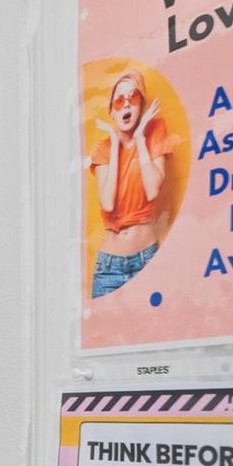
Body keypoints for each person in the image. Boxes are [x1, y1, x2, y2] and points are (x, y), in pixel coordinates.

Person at [87, 69, 175, 297]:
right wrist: (115, 144)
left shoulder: (155, 131)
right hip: (109, 269)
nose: (126, 105)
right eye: (118, 101)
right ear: (112, 112)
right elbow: (107, 203)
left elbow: (153, 189)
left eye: (133, 97)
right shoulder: (103, 149)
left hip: (147, 261)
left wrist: (139, 139)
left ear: (141, 106)